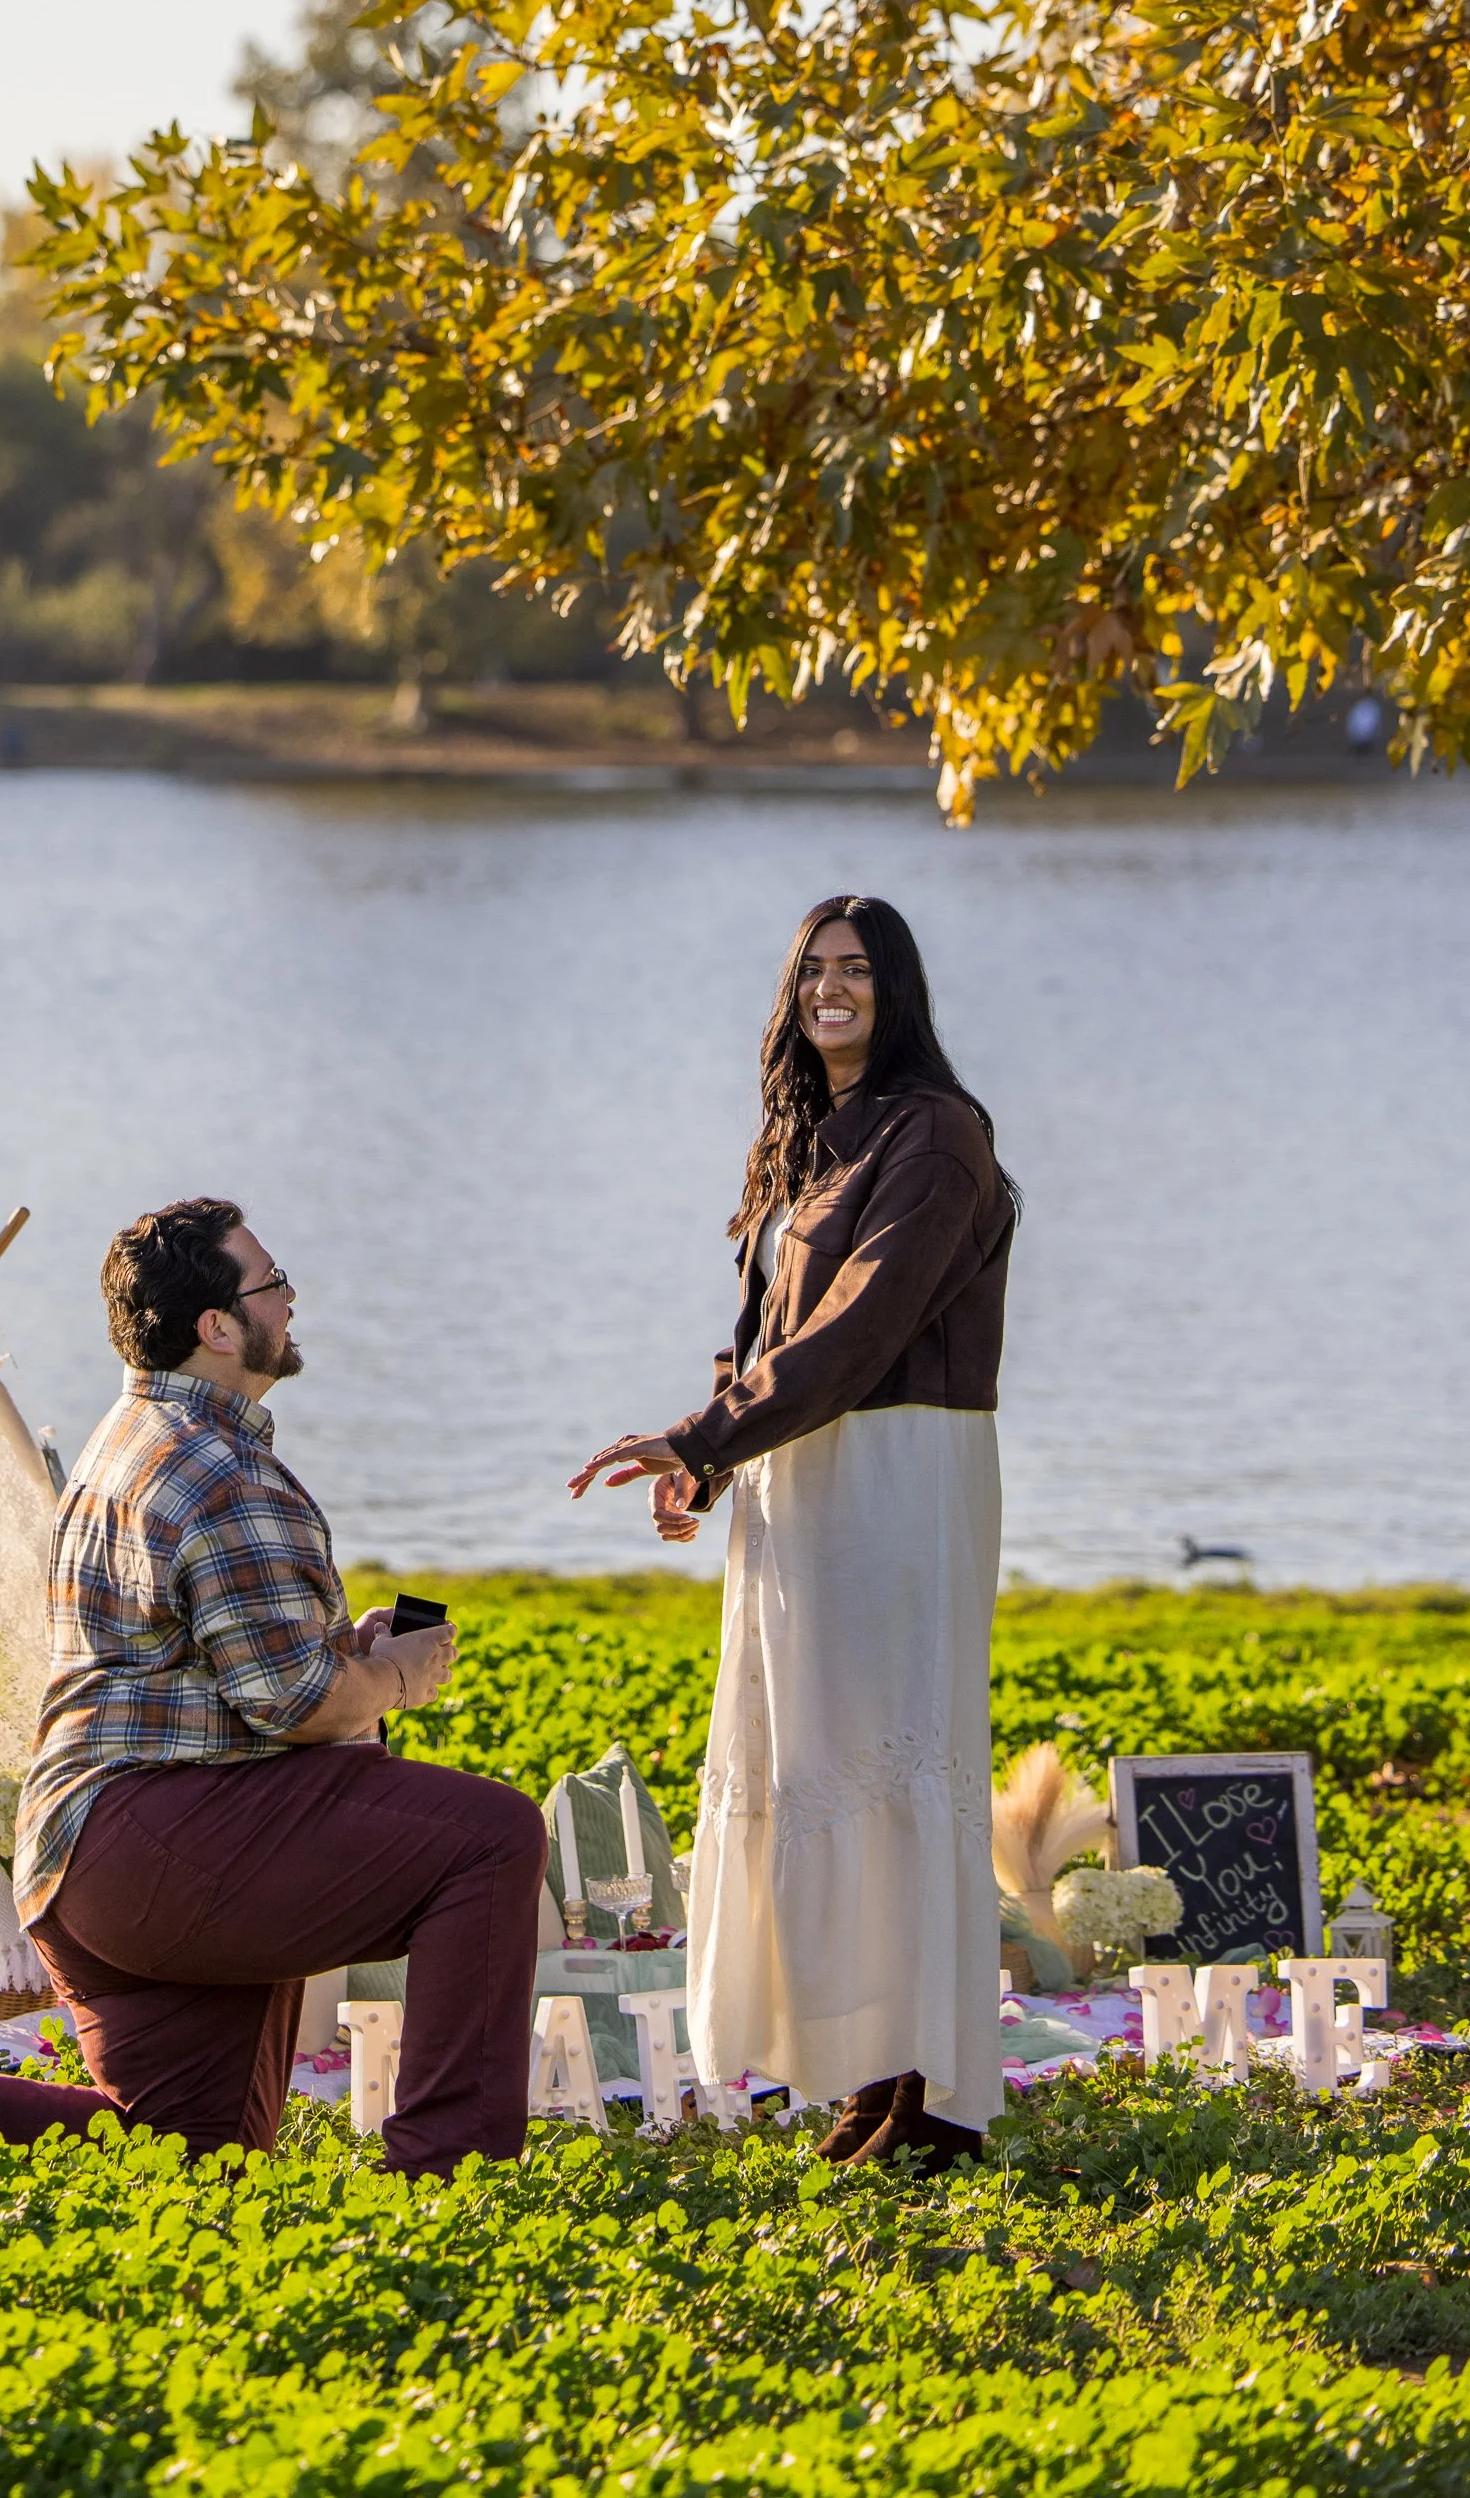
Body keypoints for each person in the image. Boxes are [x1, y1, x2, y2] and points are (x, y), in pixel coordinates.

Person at [0, 1196, 548, 2172]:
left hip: (74, 1865)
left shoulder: (124, 1441)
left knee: (197, 2155)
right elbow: (295, 1704)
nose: (290, 1300)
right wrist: (397, 1677)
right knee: (493, 1839)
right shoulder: (221, 1468)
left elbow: (225, 1662)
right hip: (172, 1843)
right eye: (272, 1283)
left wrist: (354, 1653)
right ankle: (445, 2172)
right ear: (217, 1325)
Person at [568, 894, 1015, 2173]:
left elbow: (864, 1329)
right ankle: (869, 2074)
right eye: (815, 969)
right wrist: (709, 1461)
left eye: (858, 971)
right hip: (799, 1473)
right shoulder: (811, 1138)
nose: (833, 989)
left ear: (899, 989)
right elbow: (769, 1325)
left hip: (895, 1474)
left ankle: (935, 2099)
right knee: (816, 1763)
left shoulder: (937, 1134)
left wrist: (707, 1436)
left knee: (894, 1766)